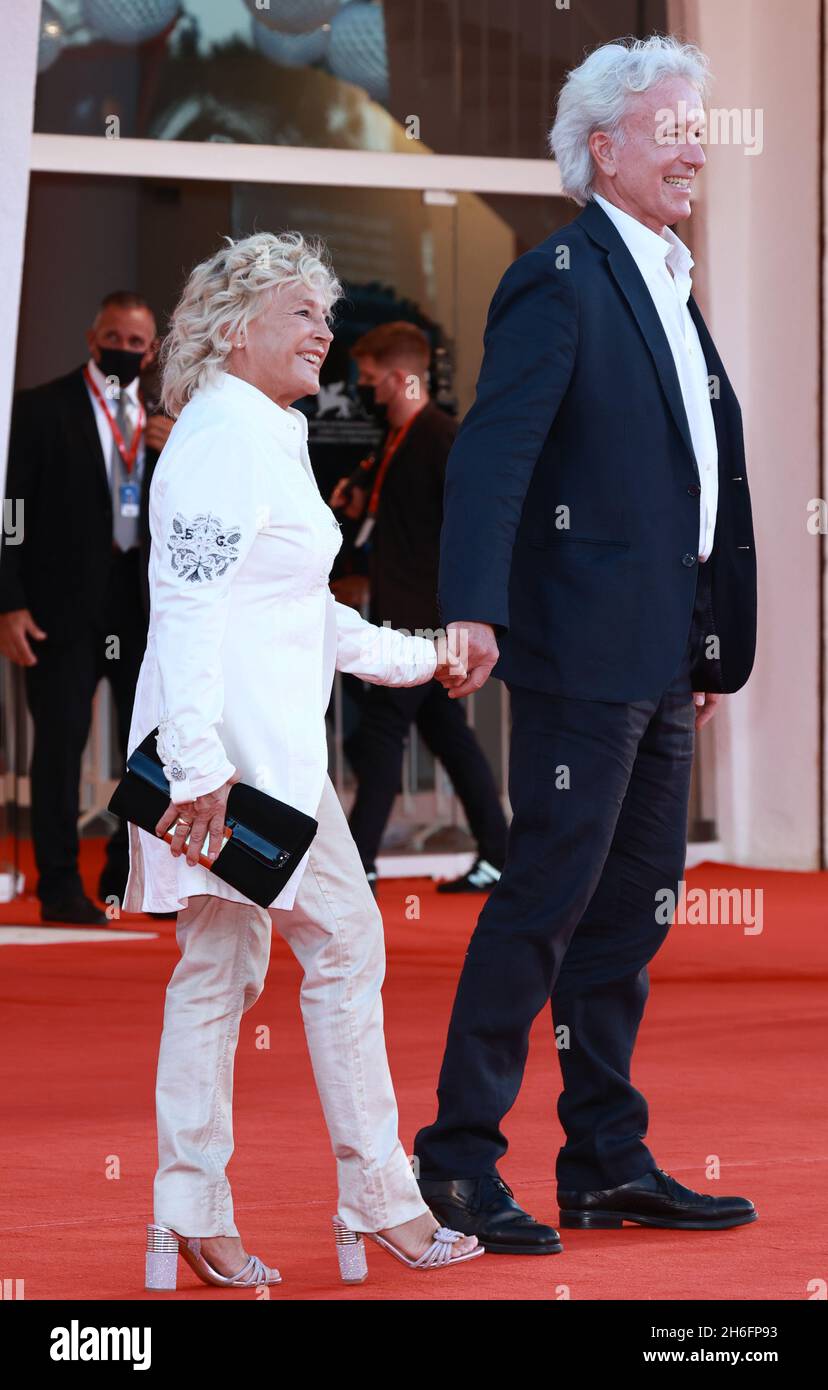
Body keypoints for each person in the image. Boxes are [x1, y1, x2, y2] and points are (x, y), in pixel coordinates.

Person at [412, 35, 759, 1253]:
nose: (693, 152)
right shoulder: (559, 276)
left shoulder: (667, 279)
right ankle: (456, 1161)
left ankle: (607, 1159)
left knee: (633, 915)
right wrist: (473, 607)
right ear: (602, 146)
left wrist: (705, 640)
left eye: (700, 133)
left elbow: (688, 483)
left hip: (663, 658)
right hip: (578, 655)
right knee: (544, 903)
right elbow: (496, 456)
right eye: (672, 129)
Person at [124, 231, 484, 1289]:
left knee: (224, 968)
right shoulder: (220, 441)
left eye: (327, 314)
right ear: (235, 329)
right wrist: (194, 769)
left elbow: (308, 617)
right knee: (333, 945)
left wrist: (423, 657)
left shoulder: (268, 434)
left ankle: (195, 1210)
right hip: (230, 764)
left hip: (267, 762)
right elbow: (183, 604)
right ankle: (375, 1197)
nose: (325, 330)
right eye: (302, 312)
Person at [0, 293, 172, 924]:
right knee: (60, 745)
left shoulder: (169, 419)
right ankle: (59, 887)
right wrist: (9, 601)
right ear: (90, 337)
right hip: (58, 605)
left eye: (137, 342)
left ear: (152, 351)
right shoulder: (40, 408)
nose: (124, 351)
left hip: (139, 604)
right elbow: (11, 510)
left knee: (149, 748)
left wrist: (174, 448)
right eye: (113, 337)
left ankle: (129, 882)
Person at [329, 322, 508, 894]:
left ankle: (359, 862)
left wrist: (466, 611)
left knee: (382, 734)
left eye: (372, 377)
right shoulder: (395, 441)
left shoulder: (439, 438)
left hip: (425, 620)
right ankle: (500, 853)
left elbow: (469, 527)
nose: (365, 387)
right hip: (403, 615)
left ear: (401, 376)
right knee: (447, 735)